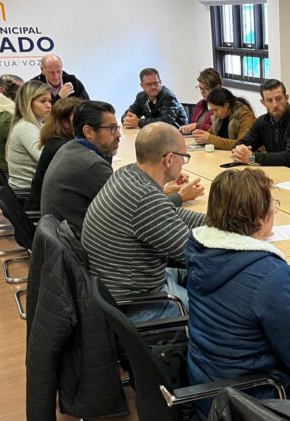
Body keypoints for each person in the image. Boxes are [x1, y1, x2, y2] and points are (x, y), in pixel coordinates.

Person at [185, 168, 290, 421]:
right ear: (260, 218)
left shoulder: (199, 248)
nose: (275, 211)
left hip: (207, 388)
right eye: (273, 205)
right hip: (252, 406)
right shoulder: (270, 274)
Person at [82, 123, 205, 322]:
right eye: (184, 157)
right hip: (136, 304)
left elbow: (169, 213)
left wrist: (217, 221)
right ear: (169, 159)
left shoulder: (128, 174)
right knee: (217, 314)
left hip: (120, 288)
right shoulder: (144, 198)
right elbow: (197, 254)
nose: (184, 163)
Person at [40, 101, 120, 235]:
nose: (118, 135)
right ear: (88, 131)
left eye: (117, 128)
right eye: (111, 129)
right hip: (79, 246)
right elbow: (128, 211)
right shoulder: (93, 166)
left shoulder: (69, 147)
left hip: (59, 238)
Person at [232, 79, 290, 177]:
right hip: (278, 173)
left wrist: (252, 158)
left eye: (279, 99)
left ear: (286, 98)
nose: (275, 105)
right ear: (263, 102)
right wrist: (240, 150)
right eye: (269, 100)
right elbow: (241, 143)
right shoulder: (261, 122)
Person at [24, 97, 84, 211]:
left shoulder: (55, 141)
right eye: (80, 118)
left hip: (45, 209)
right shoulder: (64, 148)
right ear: (66, 123)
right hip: (45, 217)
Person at [6, 80, 51, 189]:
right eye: (43, 101)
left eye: (50, 101)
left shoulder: (34, 123)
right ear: (28, 102)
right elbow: (46, 159)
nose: (49, 105)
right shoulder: (26, 128)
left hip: (31, 187)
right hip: (27, 191)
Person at [189, 87, 255, 150]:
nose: (214, 113)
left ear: (226, 106)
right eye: (212, 110)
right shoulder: (218, 118)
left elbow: (242, 145)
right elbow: (211, 134)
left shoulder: (245, 115)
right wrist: (201, 135)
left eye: (216, 109)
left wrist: (209, 139)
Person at [122, 68, 188, 129]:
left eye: (156, 83)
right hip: (155, 133)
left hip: (177, 134)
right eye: (149, 84)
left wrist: (139, 122)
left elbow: (166, 121)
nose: (153, 87)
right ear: (142, 86)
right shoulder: (141, 97)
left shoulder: (168, 96)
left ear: (160, 82)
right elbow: (129, 113)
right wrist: (127, 120)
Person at [179, 67, 222, 135]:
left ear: (217, 88)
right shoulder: (200, 105)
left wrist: (197, 126)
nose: (202, 92)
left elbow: (220, 131)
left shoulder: (222, 106)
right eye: (200, 88)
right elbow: (193, 126)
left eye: (206, 89)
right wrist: (188, 129)